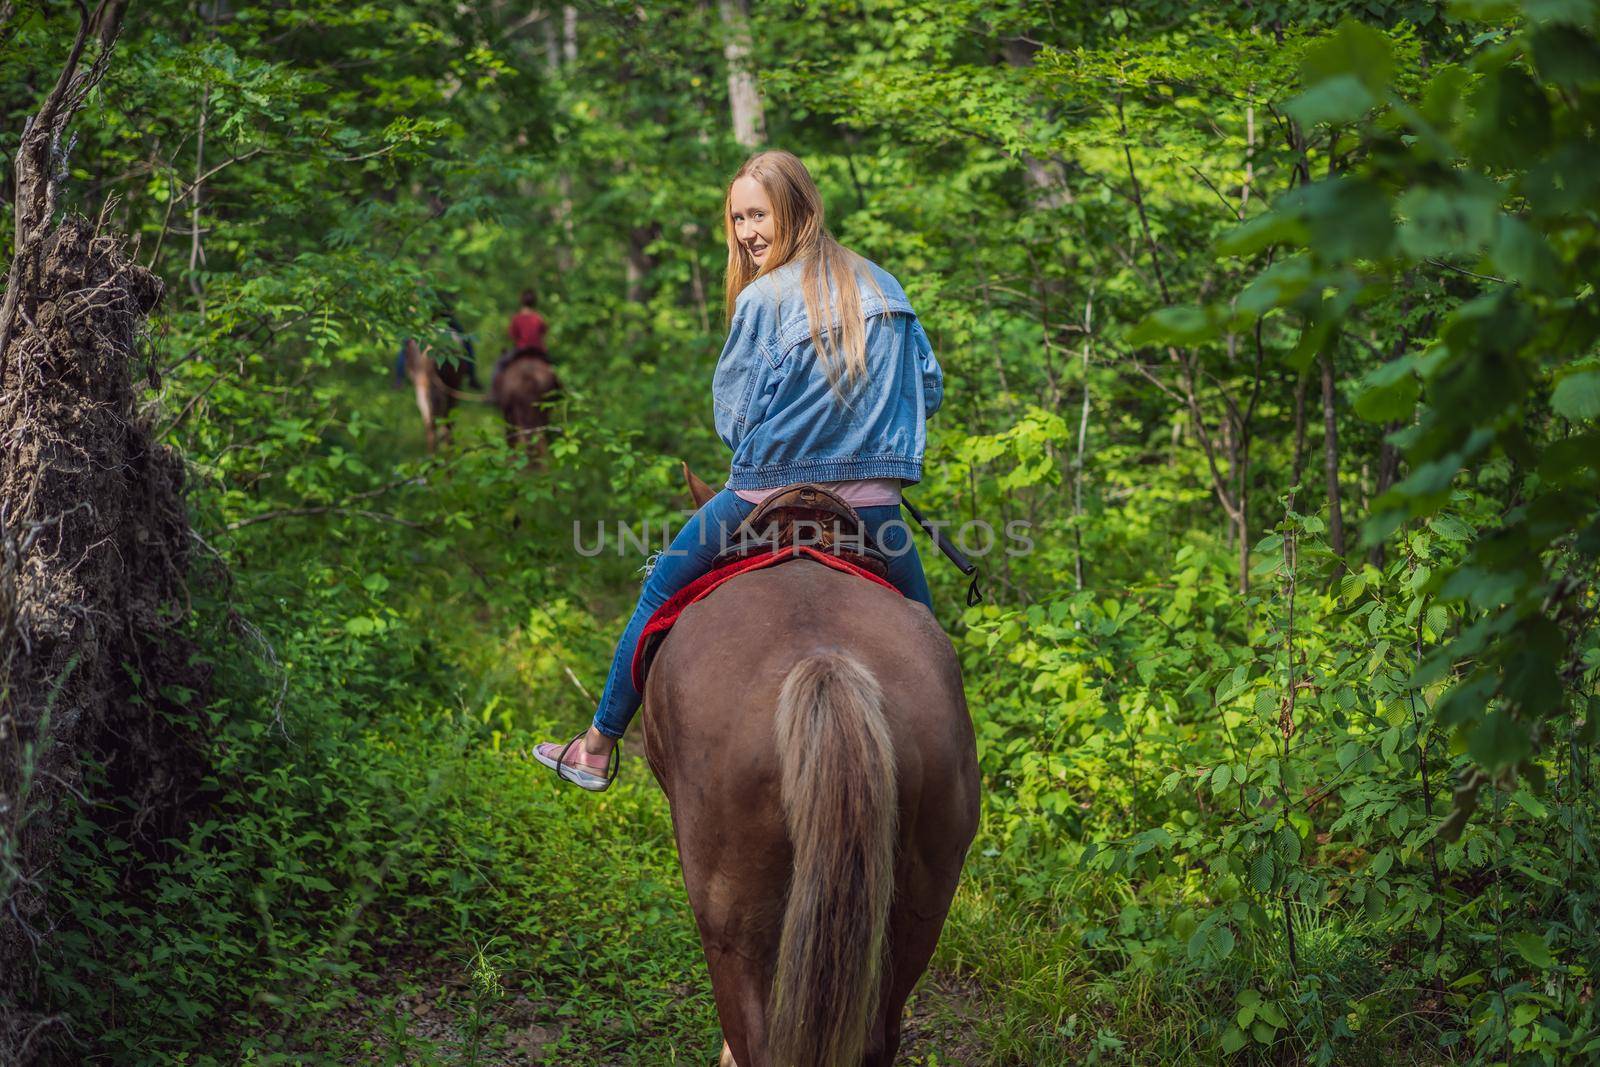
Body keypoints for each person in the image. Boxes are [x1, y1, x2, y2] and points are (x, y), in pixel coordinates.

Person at [532, 148, 944, 791]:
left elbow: (735, 420)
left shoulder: (764, 298)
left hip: (764, 496)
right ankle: (958, 769)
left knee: (656, 592)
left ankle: (595, 745)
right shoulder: (885, 287)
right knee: (928, 642)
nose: (749, 232)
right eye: (739, 219)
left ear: (798, 208)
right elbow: (929, 388)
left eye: (760, 215)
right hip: (873, 508)